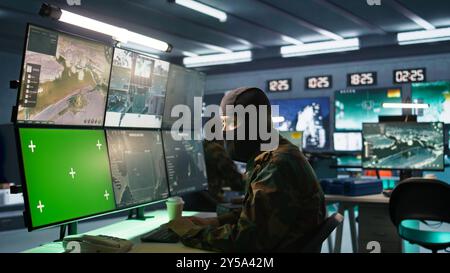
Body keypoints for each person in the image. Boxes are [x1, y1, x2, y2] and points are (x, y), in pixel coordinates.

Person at [168, 87, 325, 252]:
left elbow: (245, 242)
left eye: (228, 123)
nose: (223, 132)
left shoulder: (276, 165)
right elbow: (262, 216)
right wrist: (216, 222)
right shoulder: (280, 153)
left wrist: (189, 232)